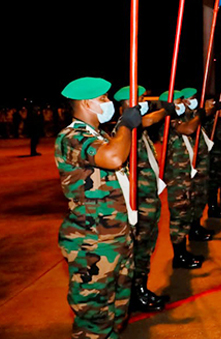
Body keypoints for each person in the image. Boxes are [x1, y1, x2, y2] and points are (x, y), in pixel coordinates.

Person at [56, 77, 142, 338]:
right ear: (86, 103)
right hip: (91, 243)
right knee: (93, 321)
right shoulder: (71, 137)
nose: (109, 103)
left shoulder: (100, 135)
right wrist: (126, 124)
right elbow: (114, 157)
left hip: (116, 238)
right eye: (103, 99)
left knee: (116, 313)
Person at [113, 85, 171, 312]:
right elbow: (147, 121)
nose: (143, 102)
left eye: (144, 98)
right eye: (138, 99)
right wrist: (165, 112)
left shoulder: (138, 129)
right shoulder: (123, 127)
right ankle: (135, 294)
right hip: (138, 202)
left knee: (146, 249)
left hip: (148, 198)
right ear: (125, 104)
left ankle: (141, 289)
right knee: (137, 250)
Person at [160, 90, 206, 269]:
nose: (183, 104)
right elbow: (189, 129)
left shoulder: (180, 118)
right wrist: (199, 116)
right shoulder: (169, 121)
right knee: (179, 217)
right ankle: (179, 256)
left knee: (185, 213)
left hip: (185, 175)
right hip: (176, 177)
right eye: (179, 101)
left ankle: (183, 251)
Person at [180, 87, 218, 240]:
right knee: (185, 206)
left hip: (198, 165)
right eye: (192, 98)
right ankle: (186, 240)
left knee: (199, 199)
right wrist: (200, 115)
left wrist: (211, 109)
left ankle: (196, 227)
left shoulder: (191, 115)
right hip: (183, 170)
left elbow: (205, 114)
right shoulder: (179, 119)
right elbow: (189, 129)